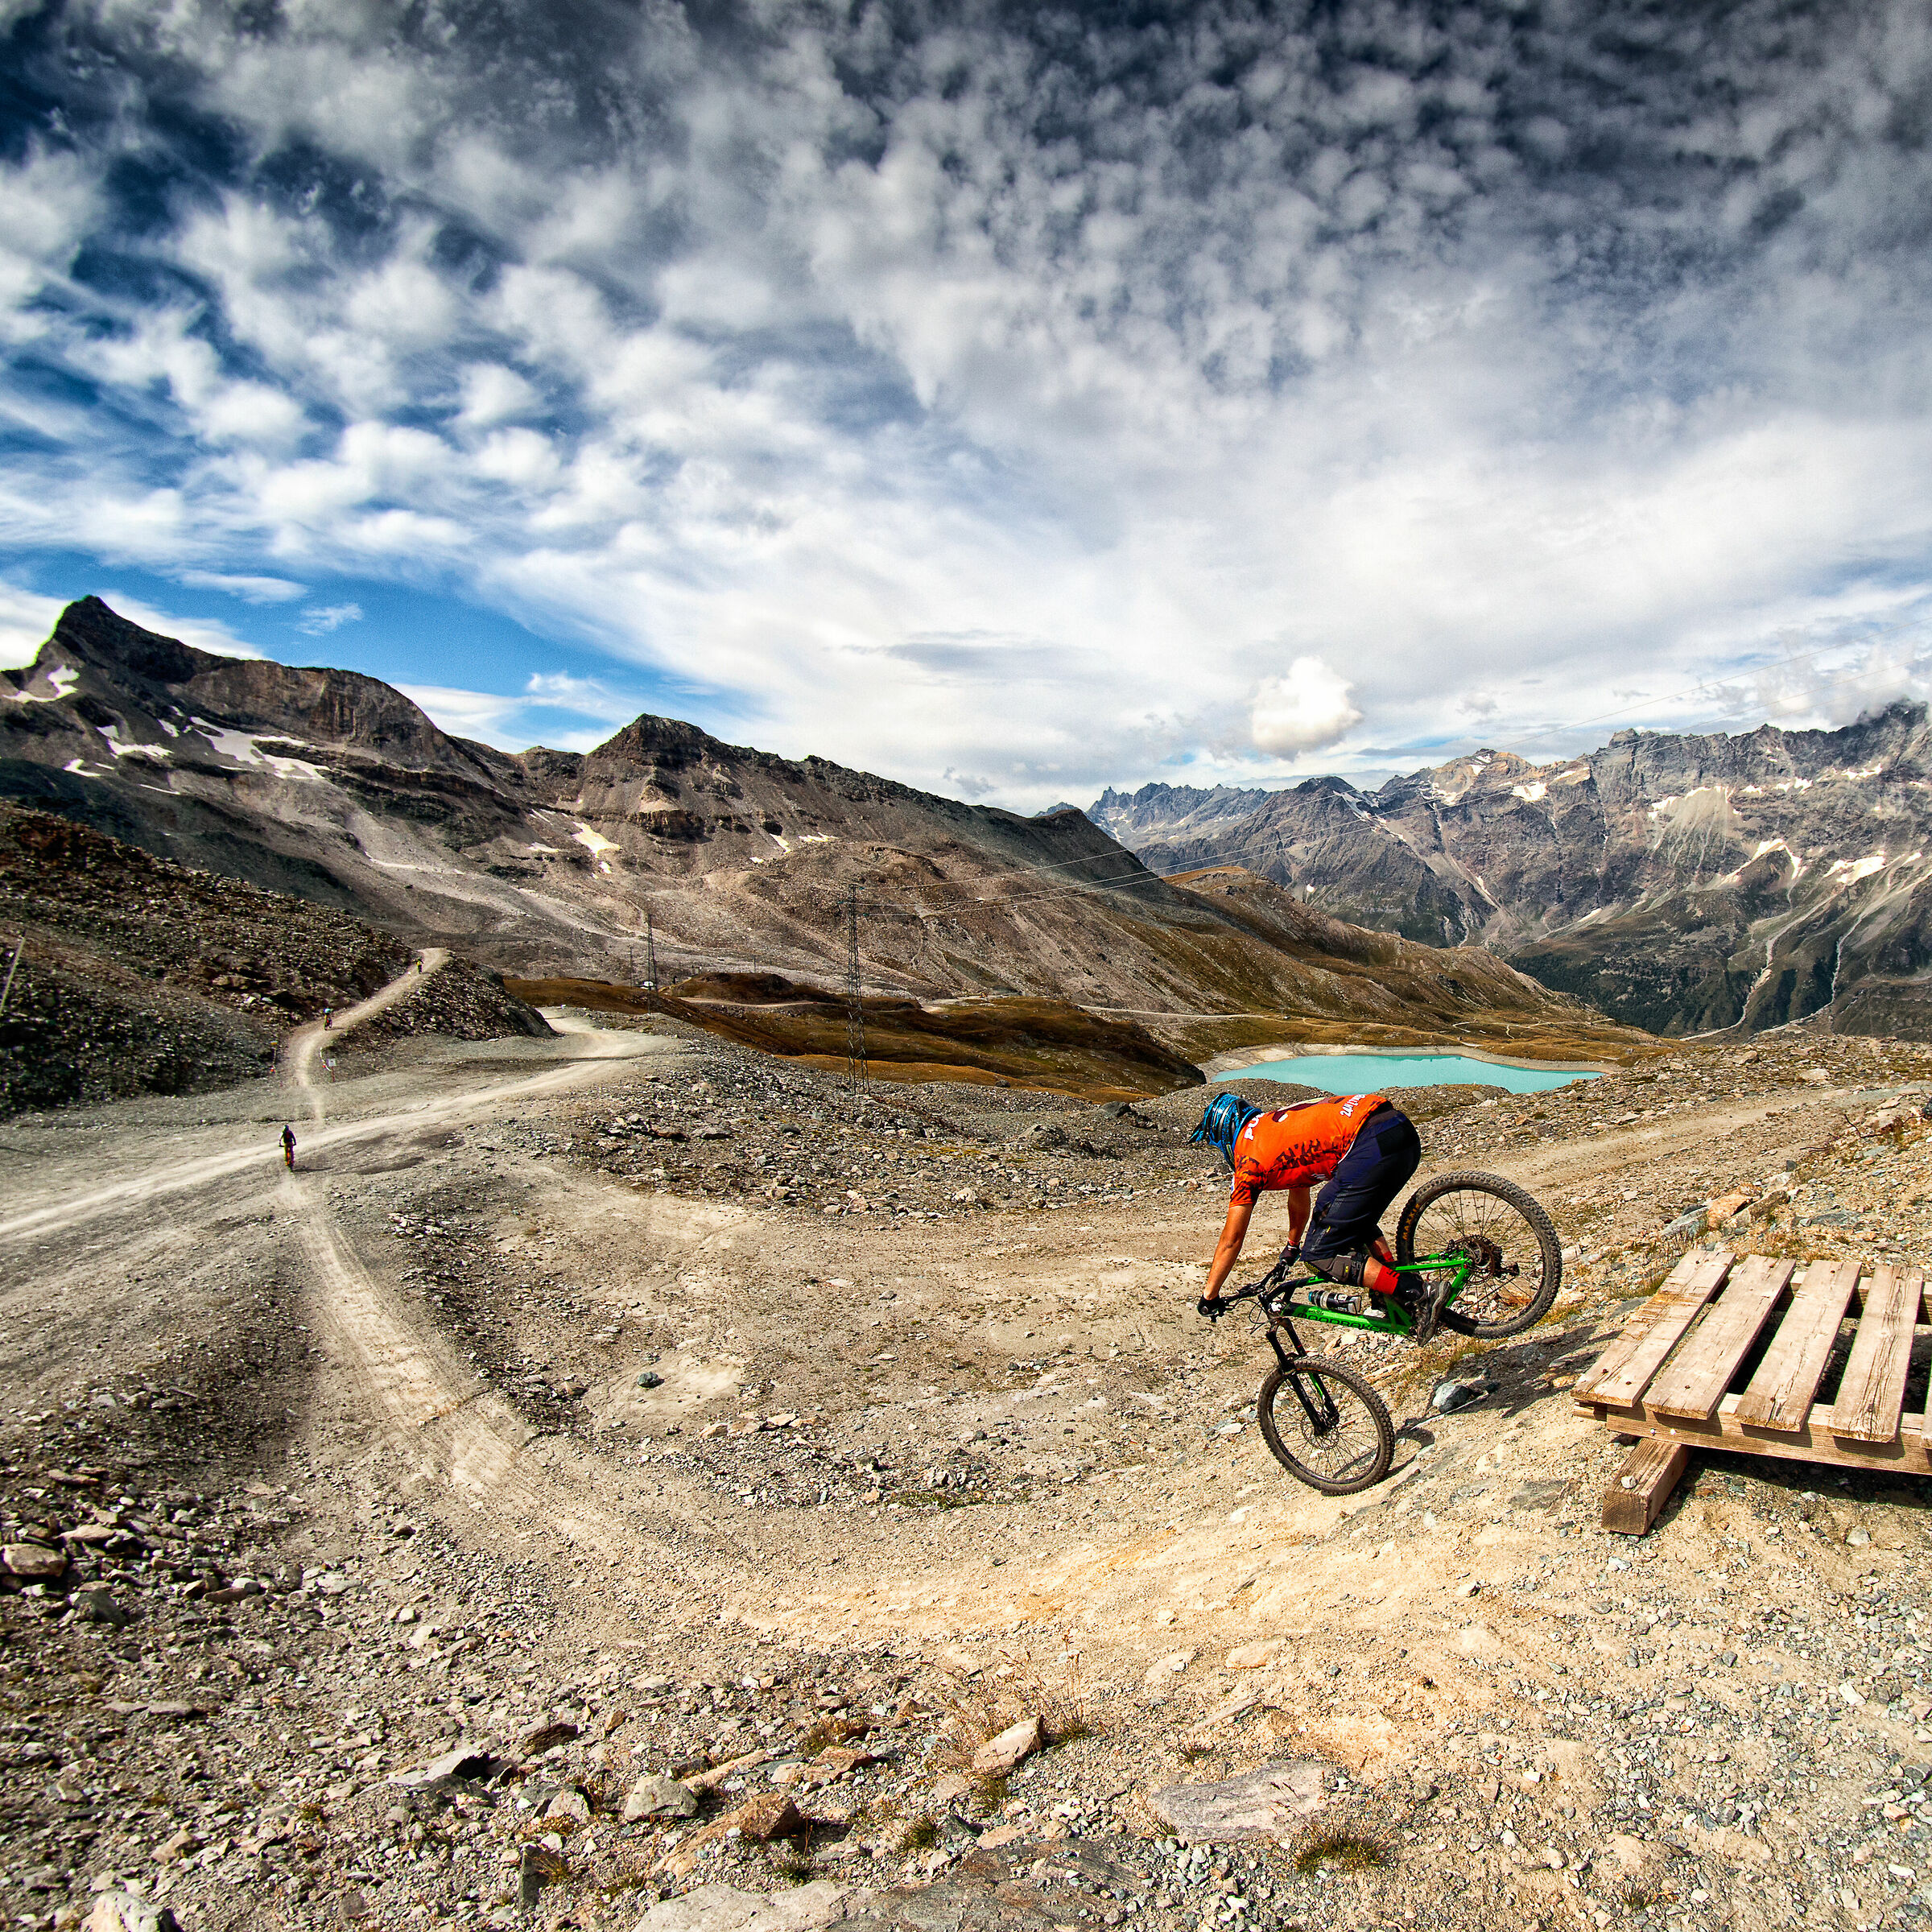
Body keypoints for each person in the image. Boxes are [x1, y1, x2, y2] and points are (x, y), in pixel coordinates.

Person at [1189, 1089, 1447, 1339]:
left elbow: (1232, 1240)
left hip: (1368, 1145)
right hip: (1398, 1128)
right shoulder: (1271, 1125)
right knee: (1344, 1214)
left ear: (1224, 1135)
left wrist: (1209, 1295)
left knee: (1319, 1255)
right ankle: (1395, 1292)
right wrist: (1292, 1246)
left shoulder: (1248, 1164)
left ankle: (1416, 1293)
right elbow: (1298, 1192)